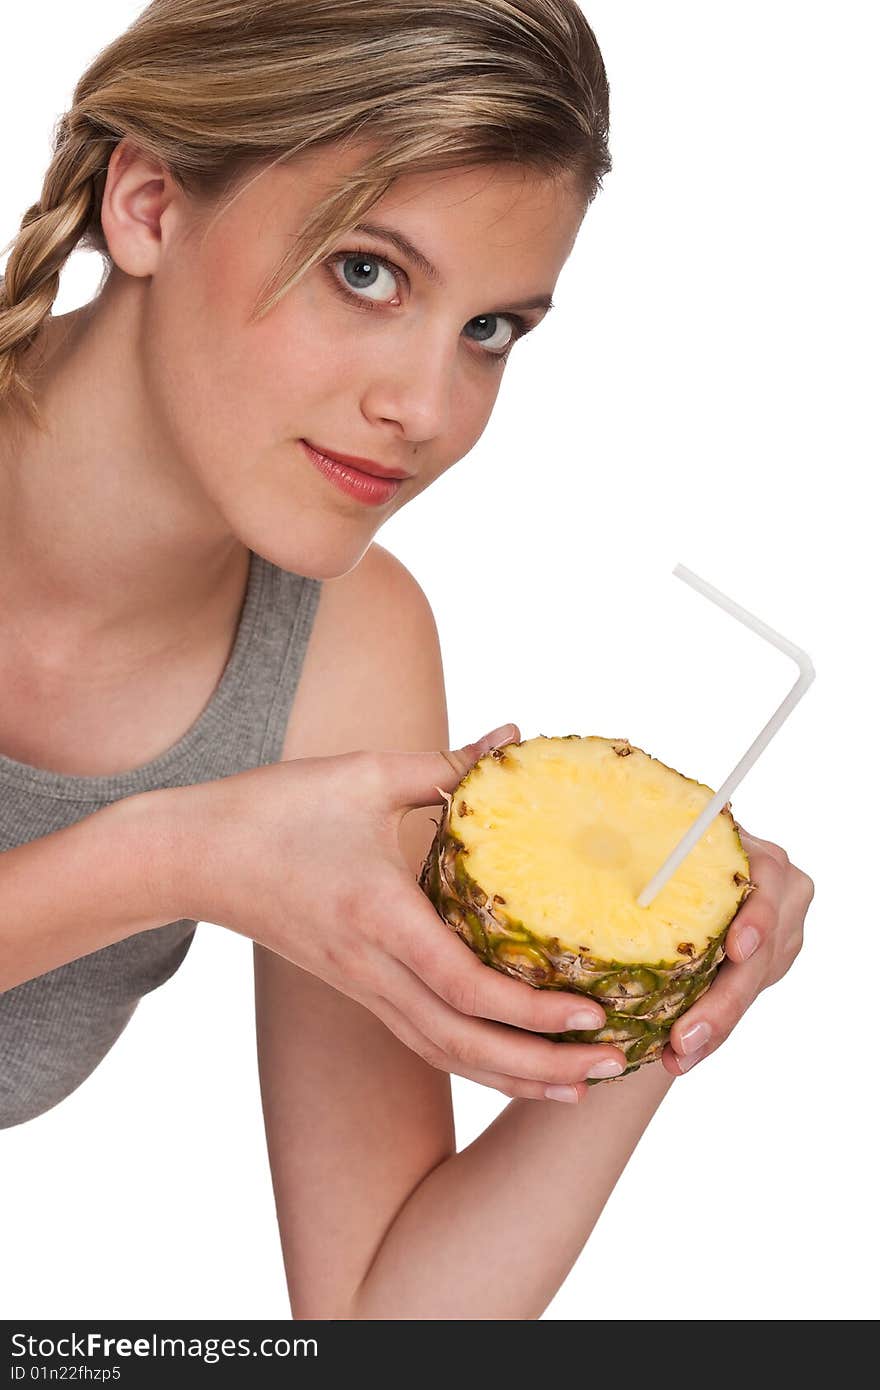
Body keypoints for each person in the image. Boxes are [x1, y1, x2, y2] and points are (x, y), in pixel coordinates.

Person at [0, 0, 813, 1319]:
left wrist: (657, 1003)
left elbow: (382, 1318)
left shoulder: (345, 646)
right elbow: (195, 851)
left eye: (491, 330)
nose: (428, 411)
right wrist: (176, 852)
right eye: (367, 272)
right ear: (147, 204)